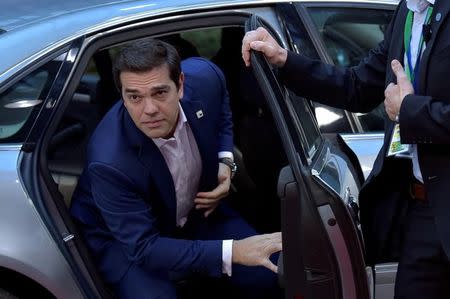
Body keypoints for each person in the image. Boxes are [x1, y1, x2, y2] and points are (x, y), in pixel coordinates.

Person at [242, 0, 450, 298]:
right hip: (422, 208)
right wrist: (285, 60)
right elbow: (357, 86)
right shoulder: (408, 9)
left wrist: (410, 111)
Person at [70, 39, 282, 299]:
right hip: (125, 240)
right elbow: (145, 248)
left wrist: (225, 160)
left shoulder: (205, 79)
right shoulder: (109, 161)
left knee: (272, 269)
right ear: (122, 95)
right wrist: (234, 252)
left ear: (181, 84)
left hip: (196, 212)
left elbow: (223, 104)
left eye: (160, 93)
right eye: (134, 96)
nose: (149, 110)